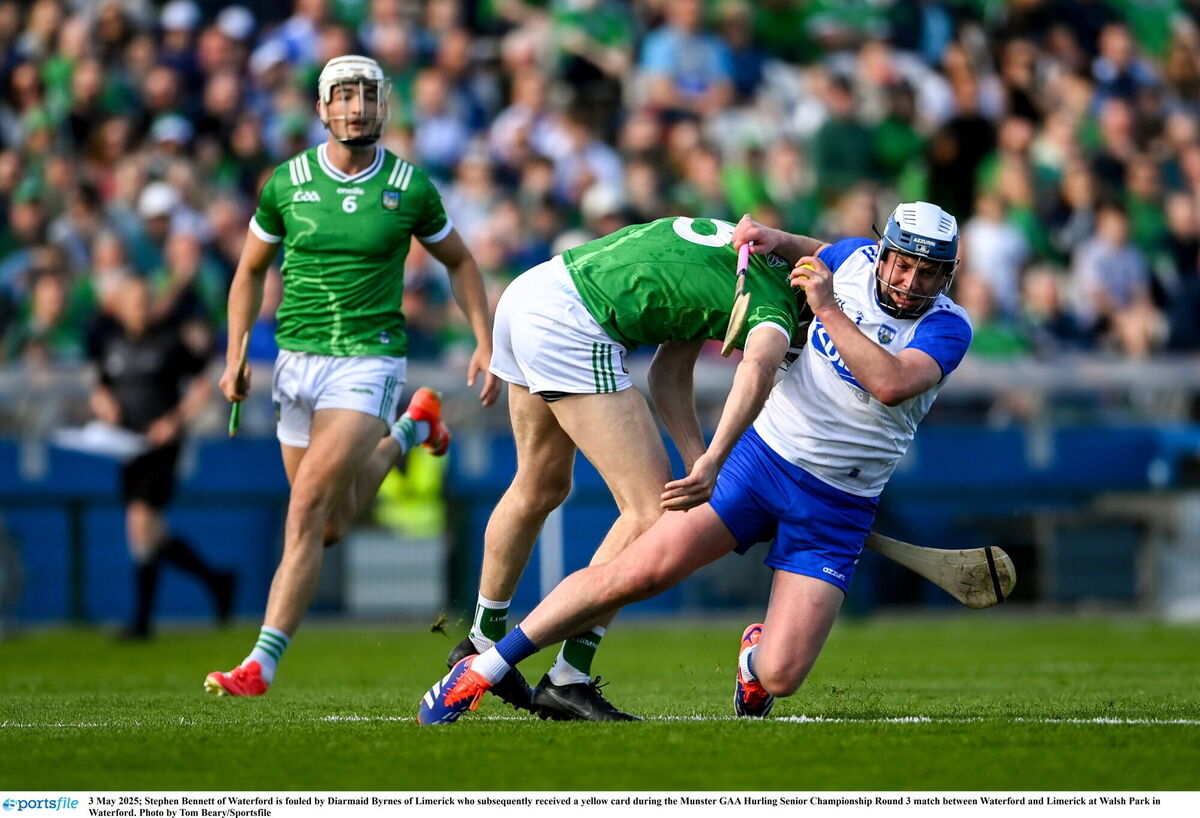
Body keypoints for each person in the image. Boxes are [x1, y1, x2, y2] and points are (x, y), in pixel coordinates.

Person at [417, 201, 973, 725]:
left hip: (839, 501)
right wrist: (708, 461)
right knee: (637, 555)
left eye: (928, 273)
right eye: (902, 265)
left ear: (946, 277)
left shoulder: (947, 325)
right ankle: (490, 667)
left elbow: (890, 383)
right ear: (883, 256)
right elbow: (747, 365)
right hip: (759, 463)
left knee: (781, 675)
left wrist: (816, 296)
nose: (909, 282)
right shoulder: (803, 290)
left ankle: (749, 660)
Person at [205, 55, 497, 697]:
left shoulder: (410, 186)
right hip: (294, 361)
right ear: (322, 108)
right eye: (344, 95)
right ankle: (414, 431)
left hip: (369, 360)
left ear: (383, 104)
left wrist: (483, 337)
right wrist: (234, 355)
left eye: (368, 94)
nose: (357, 106)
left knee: (305, 507)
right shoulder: (286, 183)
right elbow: (249, 271)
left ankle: (261, 661)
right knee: (329, 525)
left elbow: (461, 261)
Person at [445, 214, 807, 721]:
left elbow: (667, 372)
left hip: (531, 292)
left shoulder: (749, 255)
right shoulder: (779, 306)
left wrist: (696, 460)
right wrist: (716, 459)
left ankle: (480, 640)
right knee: (649, 510)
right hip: (571, 321)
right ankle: (567, 677)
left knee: (539, 485)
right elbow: (759, 366)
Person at [89, 276, 234, 640]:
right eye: (131, 302)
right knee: (150, 533)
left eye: (143, 301)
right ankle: (216, 580)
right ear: (119, 306)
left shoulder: (169, 343)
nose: (138, 308)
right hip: (126, 445)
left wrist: (174, 420)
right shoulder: (112, 344)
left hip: (161, 447)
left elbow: (203, 384)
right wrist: (102, 404)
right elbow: (100, 387)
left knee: (139, 522)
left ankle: (142, 622)